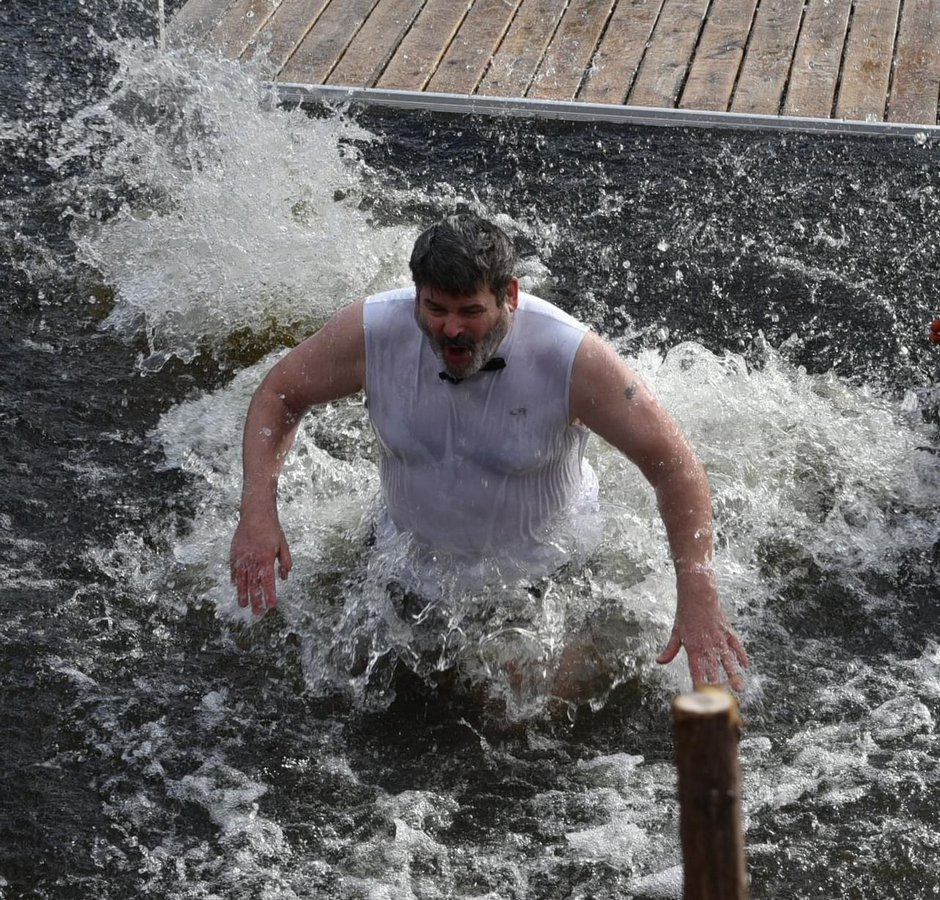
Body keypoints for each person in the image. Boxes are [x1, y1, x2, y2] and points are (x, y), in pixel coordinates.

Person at [229, 215, 748, 690]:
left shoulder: (568, 357)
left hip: (545, 578)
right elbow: (279, 394)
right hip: (405, 565)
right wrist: (257, 511)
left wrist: (697, 593)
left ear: (510, 296)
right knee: (330, 683)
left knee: (519, 713)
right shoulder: (373, 333)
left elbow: (674, 465)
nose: (451, 329)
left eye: (470, 311)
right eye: (435, 309)